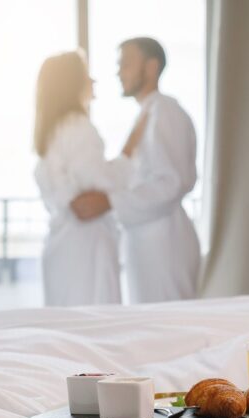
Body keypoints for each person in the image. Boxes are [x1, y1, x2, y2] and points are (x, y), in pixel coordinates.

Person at [70, 37, 200, 303]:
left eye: (126, 64)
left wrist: (109, 202)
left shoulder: (165, 111)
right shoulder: (147, 113)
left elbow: (171, 183)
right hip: (148, 245)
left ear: (151, 67)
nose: (119, 72)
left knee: (167, 331)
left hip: (164, 248)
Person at [33, 50, 146, 307]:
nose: (93, 81)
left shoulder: (51, 133)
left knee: (69, 328)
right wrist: (129, 152)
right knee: (95, 327)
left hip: (62, 247)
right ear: (72, 84)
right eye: (87, 75)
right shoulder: (78, 128)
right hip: (85, 249)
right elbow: (100, 184)